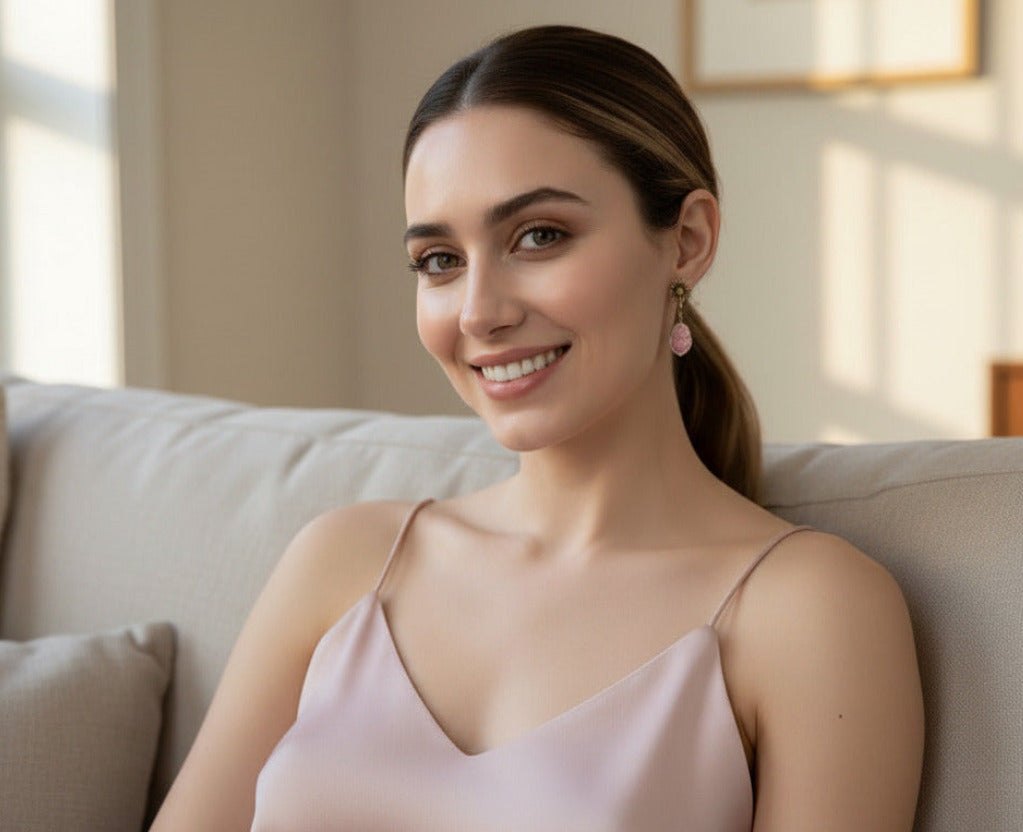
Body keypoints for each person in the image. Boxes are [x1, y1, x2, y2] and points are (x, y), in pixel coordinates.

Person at [150, 24, 925, 832]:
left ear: (687, 242)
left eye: (539, 236)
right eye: (439, 261)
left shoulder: (807, 609)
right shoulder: (346, 561)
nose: (480, 312)